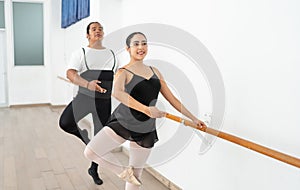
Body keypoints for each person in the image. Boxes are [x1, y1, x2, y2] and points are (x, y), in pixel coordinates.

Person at [84, 32, 207, 189]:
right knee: (91, 151)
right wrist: (147, 110)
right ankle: (124, 172)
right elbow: (117, 93)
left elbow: (172, 99)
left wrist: (194, 118)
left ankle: (130, 174)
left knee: (136, 176)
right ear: (128, 49)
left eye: (144, 43)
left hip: (145, 127)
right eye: (136, 44)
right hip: (123, 120)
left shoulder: (155, 71)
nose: (141, 47)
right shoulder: (123, 71)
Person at [59, 21, 117, 185]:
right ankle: (87, 140)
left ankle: (94, 169)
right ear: (87, 35)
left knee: (101, 137)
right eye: (93, 29)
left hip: (104, 103)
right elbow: (70, 73)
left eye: (100, 29)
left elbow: (118, 76)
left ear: (103, 33)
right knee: (65, 122)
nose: (97, 31)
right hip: (84, 98)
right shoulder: (81, 52)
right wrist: (87, 84)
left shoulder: (112, 54)